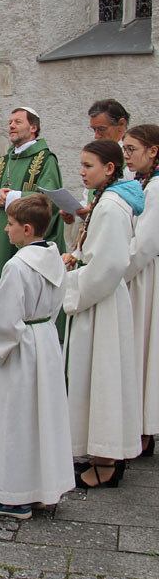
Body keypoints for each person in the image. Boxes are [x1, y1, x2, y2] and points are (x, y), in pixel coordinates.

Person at [0, 194, 75, 519]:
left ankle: (14, 497)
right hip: (45, 339)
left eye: (11, 224)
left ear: (27, 229)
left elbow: (4, 316)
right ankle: (42, 489)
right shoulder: (54, 257)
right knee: (43, 416)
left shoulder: (17, 265)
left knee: (17, 418)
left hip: (21, 345)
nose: (7, 230)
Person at [63, 139, 143, 488]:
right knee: (93, 376)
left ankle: (107, 460)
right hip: (100, 299)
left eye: (88, 165)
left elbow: (108, 265)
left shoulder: (111, 206)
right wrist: (76, 256)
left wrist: (71, 286)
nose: (81, 172)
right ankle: (98, 451)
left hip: (101, 303)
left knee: (104, 377)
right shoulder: (104, 200)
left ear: (110, 169)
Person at [0, 107, 64, 307]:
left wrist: (10, 198)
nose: (11, 126)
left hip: (26, 240)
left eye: (17, 122)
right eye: (10, 123)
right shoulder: (2, 162)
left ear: (33, 128)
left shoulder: (46, 160)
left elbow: (49, 200)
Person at [123, 125, 159, 458]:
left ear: (153, 151)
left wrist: (116, 272)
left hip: (146, 277)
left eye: (132, 149)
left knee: (145, 349)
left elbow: (145, 243)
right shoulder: (142, 183)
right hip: (139, 273)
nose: (127, 156)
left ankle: (145, 429)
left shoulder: (157, 187)